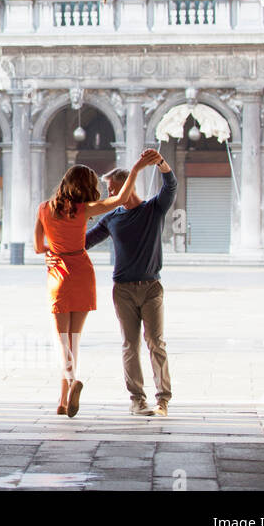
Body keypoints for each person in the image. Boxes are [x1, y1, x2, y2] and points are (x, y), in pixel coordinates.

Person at [34, 150, 153, 417]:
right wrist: (136, 168)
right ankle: (64, 399)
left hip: (58, 275)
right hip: (83, 273)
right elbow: (121, 198)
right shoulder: (84, 209)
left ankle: (70, 386)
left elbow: (36, 248)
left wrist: (52, 250)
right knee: (75, 339)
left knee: (62, 340)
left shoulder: (43, 209)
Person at [85, 149, 178, 417]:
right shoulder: (112, 218)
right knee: (130, 344)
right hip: (122, 290)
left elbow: (171, 185)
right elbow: (85, 242)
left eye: (114, 189)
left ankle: (163, 400)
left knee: (156, 342)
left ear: (128, 186)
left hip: (151, 287)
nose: (111, 195)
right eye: (110, 190)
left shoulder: (153, 209)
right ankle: (137, 399)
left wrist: (160, 163)